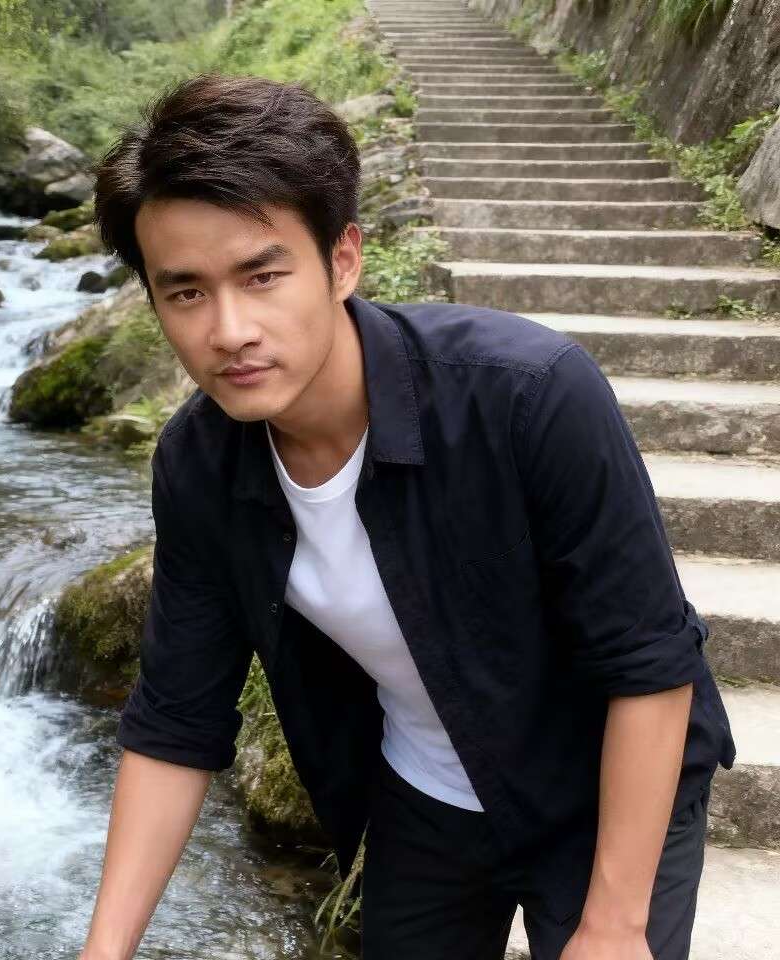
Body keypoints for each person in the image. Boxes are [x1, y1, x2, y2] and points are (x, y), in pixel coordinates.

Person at [77, 71, 737, 960]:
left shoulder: (528, 397)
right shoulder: (200, 464)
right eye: (186, 291)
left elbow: (650, 661)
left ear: (342, 260)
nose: (228, 330)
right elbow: (175, 720)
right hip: (425, 796)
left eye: (262, 275)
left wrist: (614, 925)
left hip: (606, 786)